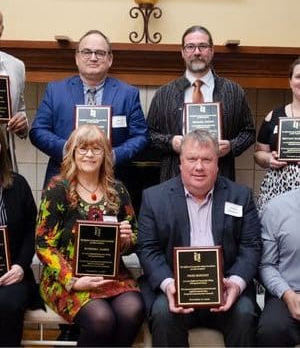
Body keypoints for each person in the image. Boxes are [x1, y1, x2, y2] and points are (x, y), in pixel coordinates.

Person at [136, 129, 261, 347]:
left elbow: (251, 246)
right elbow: (148, 249)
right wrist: (169, 285)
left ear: (217, 164)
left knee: (244, 314)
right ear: (180, 163)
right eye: (192, 159)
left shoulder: (240, 196)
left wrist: (235, 283)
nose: (199, 167)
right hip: (175, 289)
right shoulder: (154, 198)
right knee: (163, 314)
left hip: (226, 289)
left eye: (206, 159)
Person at [35, 124, 144, 347]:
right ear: (73, 152)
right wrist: (72, 280)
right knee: (101, 319)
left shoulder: (118, 190)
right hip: (66, 278)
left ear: (106, 154)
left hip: (111, 276)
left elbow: (134, 237)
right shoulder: (58, 188)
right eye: (83, 148)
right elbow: (43, 244)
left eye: (96, 149)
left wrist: (125, 240)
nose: (89, 154)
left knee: (133, 311)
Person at [29, 29, 148, 188]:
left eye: (100, 53)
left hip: (112, 180)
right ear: (77, 58)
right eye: (86, 52)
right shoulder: (55, 90)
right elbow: (37, 131)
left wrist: (113, 156)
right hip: (62, 178)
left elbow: (141, 136)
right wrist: (67, 150)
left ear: (110, 59)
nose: (93, 58)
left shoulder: (128, 94)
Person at [147, 25, 255, 183]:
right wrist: (171, 142)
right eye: (190, 47)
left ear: (211, 51)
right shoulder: (164, 93)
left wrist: (231, 146)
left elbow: (249, 132)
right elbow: (149, 135)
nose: (197, 52)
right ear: (183, 52)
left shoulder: (234, 91)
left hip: (221, 177)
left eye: (203, 46)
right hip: (174, 179)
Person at [0, 128, 42, 346]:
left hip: (13, 275)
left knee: (7, 303)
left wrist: (19, 266)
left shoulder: (18, 184)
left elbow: (31, 230)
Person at [254, 57, 300, 214]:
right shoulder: (273, 115)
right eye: (298, 77)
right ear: (290, 81)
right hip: (276, 191)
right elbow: (259, 153)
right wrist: (268, 159)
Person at [257, 188, 300, 346]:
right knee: (271, 329)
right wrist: (288, 295)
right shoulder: (276, 208)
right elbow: (266, 264)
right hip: (288, 292)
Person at [0, 11, 28, 172]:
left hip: (5, 160)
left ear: (1, 29)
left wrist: (22, 123)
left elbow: (20, 109)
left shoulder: (16, 66)